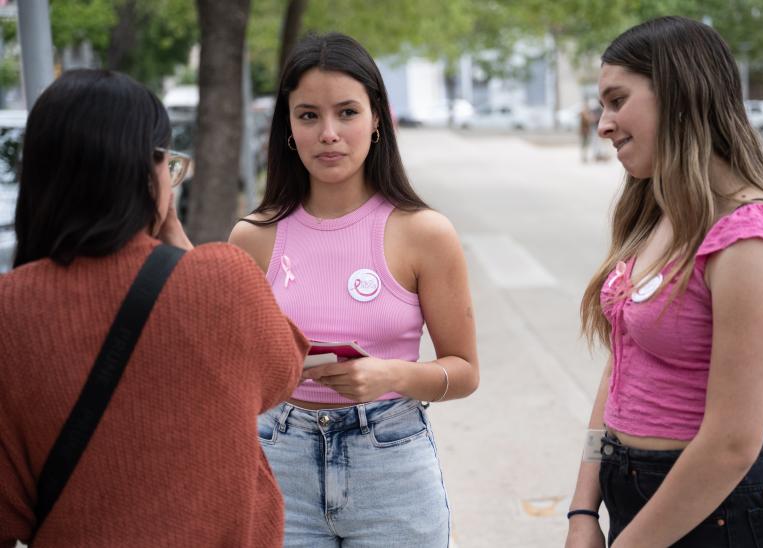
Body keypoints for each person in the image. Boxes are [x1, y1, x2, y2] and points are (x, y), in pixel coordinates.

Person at [0, 69, 307, 546]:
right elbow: (284, 370)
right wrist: (181, 246)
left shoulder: (8, 312)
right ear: (149, 171)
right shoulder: (221, 280)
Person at [566, 17, 763, 547]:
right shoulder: (662, 212)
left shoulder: (752, 241)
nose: (603, 124)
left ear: (680, 95)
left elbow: (731, 445)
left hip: (719, 517)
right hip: (634, 498)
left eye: (617, 100)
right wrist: (583, 510)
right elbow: (622, 361)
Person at [229, 33, 479, 547]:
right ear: (288, 128)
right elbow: (237, 374)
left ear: (377, 119)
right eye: (307, 115)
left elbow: (465, 370)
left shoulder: (424, 232)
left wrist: (391, 375)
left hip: (391, 465)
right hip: (280, 458)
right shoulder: (252, 237)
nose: (328, 133)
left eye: (346, 112)